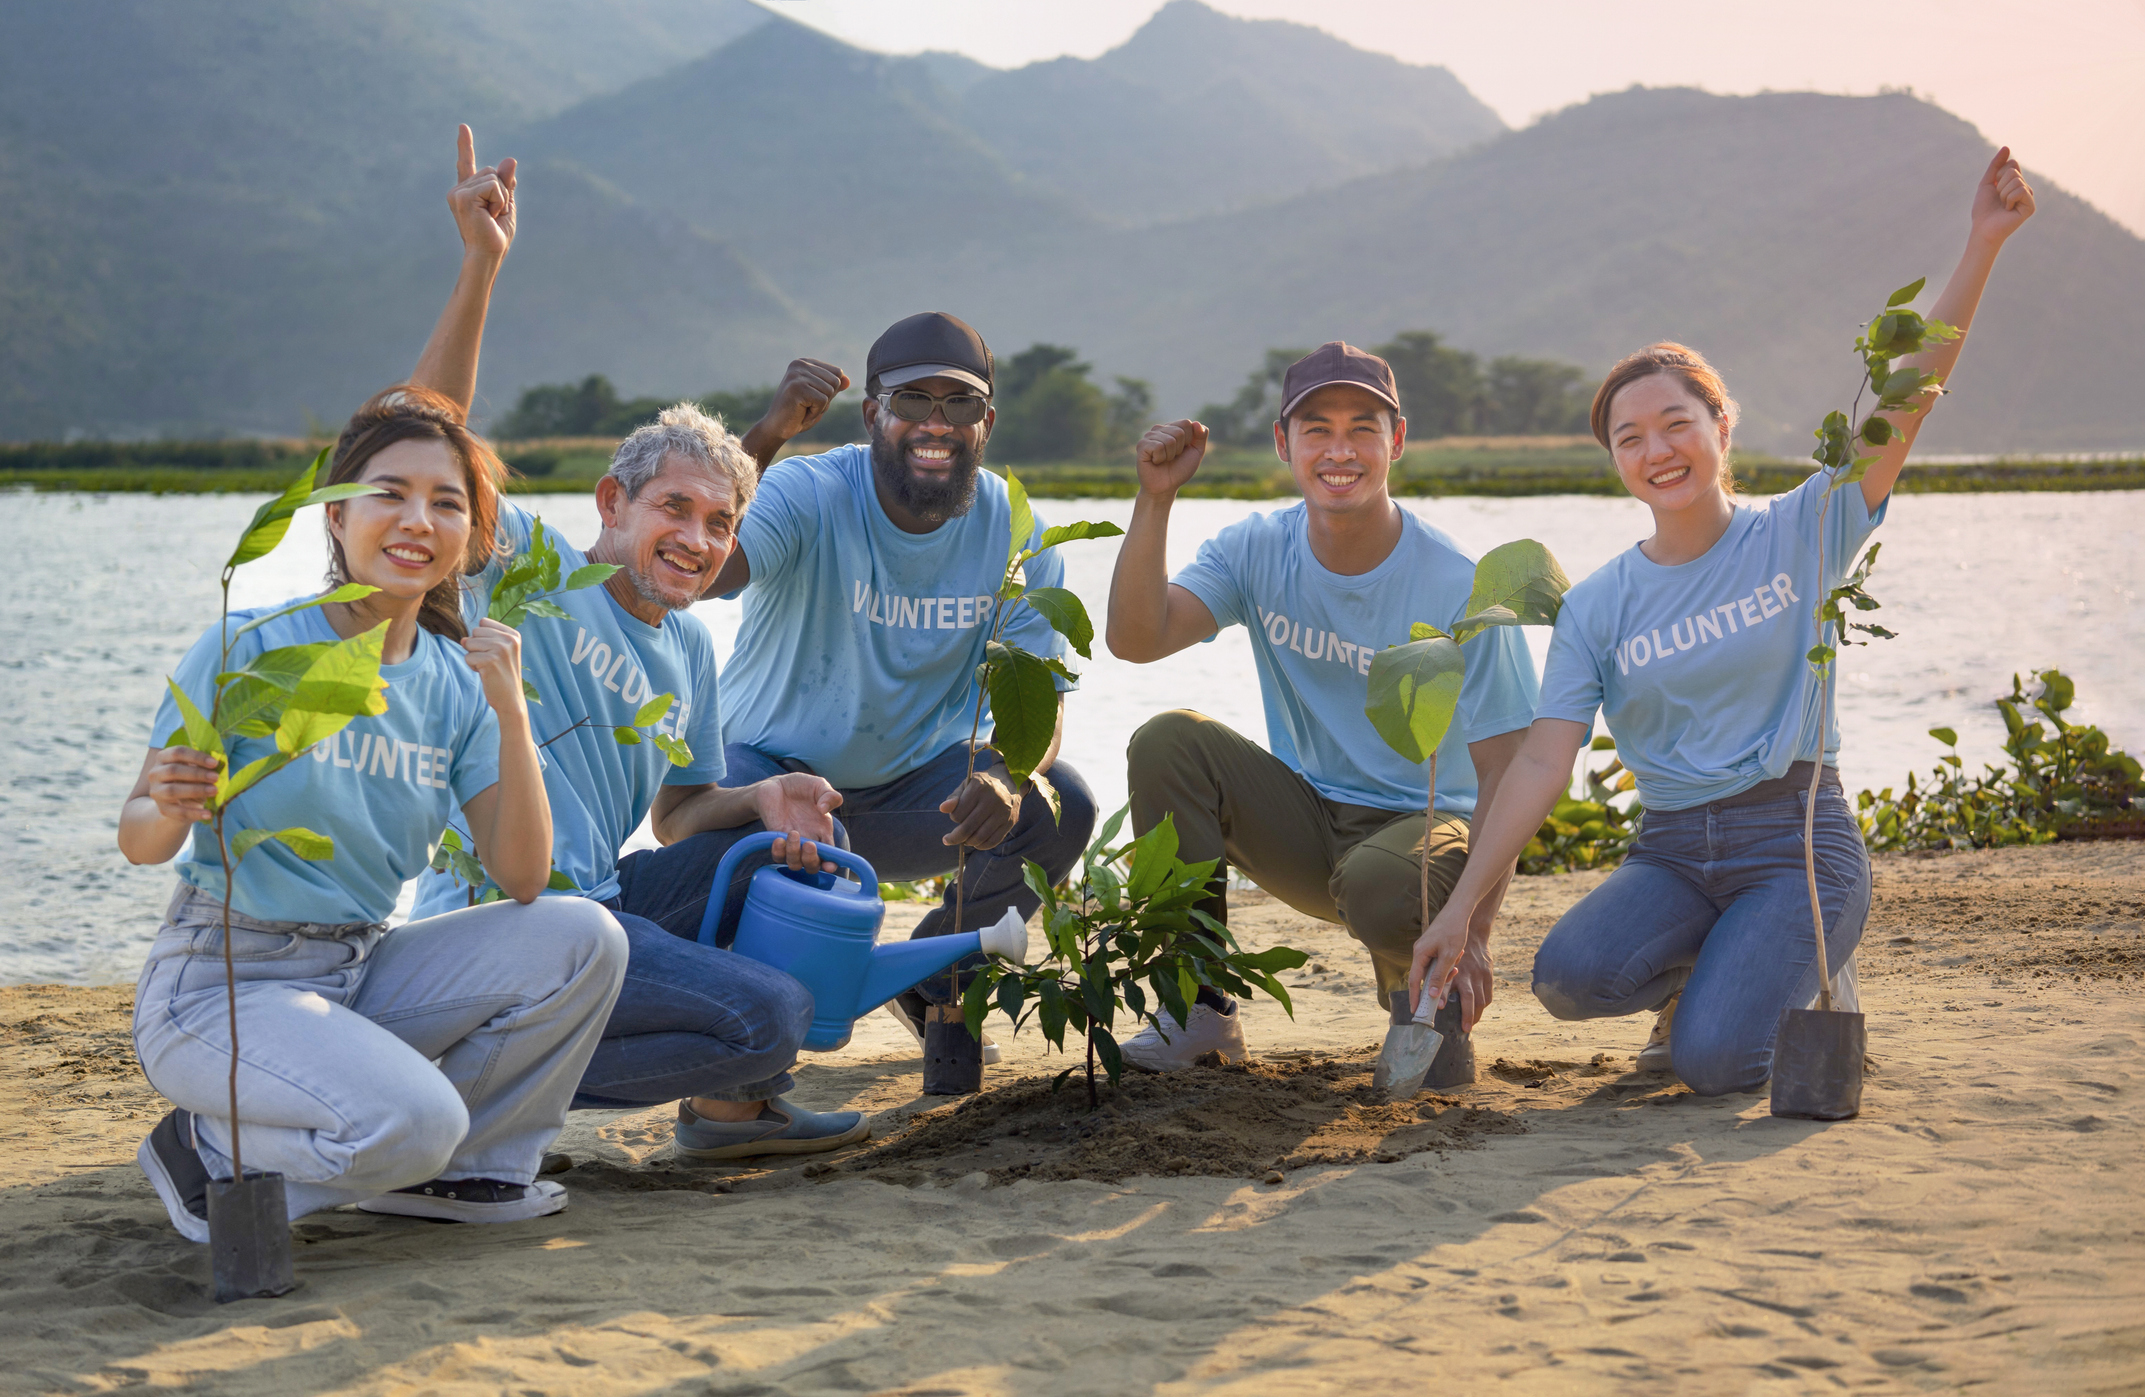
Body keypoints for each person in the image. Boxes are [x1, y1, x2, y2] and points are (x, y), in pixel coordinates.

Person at [1408, 151, 2038, 1095]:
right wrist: (1460, 911)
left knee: (1714, 1064)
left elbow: (1906, 397)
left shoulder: (1804, 526)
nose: (1656, 450)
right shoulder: (1599, 602)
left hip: (1794, 838)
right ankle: (1721, 970)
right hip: (1672, 849)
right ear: (1614, 461)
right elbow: (1542, 760)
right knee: (1567, 977)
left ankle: (1800, 971)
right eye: (1630, 438)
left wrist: (1980, 243)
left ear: (1719, 425)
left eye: (1675, 423)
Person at [403, 127, 869, 1159]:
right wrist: (481, 265)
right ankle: (473, 1077)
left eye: (722, 524)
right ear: (614, 501)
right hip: (496, 917)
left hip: (605, 896)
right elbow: (423, 440)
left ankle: (731, 1108)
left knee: (781, 864)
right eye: (676, 508)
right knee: (767, 1018)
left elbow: (675, 817)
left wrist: (757, 799)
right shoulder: (524, 567)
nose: (699, 540)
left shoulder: (690, 651)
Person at [125, 383, 629, 1239]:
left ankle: (463, 1175)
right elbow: (141, 840)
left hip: (355, 972)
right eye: (387, 494)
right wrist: (166, 804)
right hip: (221, 985)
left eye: (445, 503)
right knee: (416, 1122)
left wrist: (510, 711)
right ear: (334, 517)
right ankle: (207, 1149)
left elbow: (522, 876)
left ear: (470, 537)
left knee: (585, 938)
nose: (415, 520)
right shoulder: (249, 642)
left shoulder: (451, 683)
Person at [1104, 342, 1539, 1074]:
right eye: (1317, 429)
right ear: (1284, 444)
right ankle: (1199, 1011)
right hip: (1308, 819)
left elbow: (1507, 769)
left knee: (1382, 892)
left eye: (1362, 428)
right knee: (1166, 742)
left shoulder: (1458, 580)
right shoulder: (1254, 549)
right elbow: (1135, 640)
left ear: (1395, 442)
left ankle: (1423, 988)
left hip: (1424, 835)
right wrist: (1155, 499)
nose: (1340, 450)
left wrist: (1476, 928)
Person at [707, 311, 1099, 1050]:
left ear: (987, 421)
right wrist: (764, 436)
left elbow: (1039, 703)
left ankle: (933, 980)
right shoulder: (803, 491)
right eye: (911, 401)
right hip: (765, 777)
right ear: (871, 413)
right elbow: (705, 573)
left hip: (914, 797)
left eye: (958, 404)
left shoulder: (1021, 536)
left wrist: (1010, 779)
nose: (935, 424)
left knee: (1060, 800)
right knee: (730, 835)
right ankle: (740, 1045)